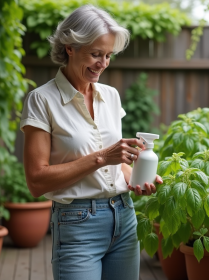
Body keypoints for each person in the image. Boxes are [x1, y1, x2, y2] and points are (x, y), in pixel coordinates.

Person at [20, 5, 162, 280]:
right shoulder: (42, 100)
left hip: (124, 217)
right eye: (96, 54)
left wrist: (137, 180)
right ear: (70, 47)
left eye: (108, 55)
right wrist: (102, 157)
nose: (103, 63)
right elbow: (36, 181)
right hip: (77, 223)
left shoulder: (111, 96)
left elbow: (115, 168)